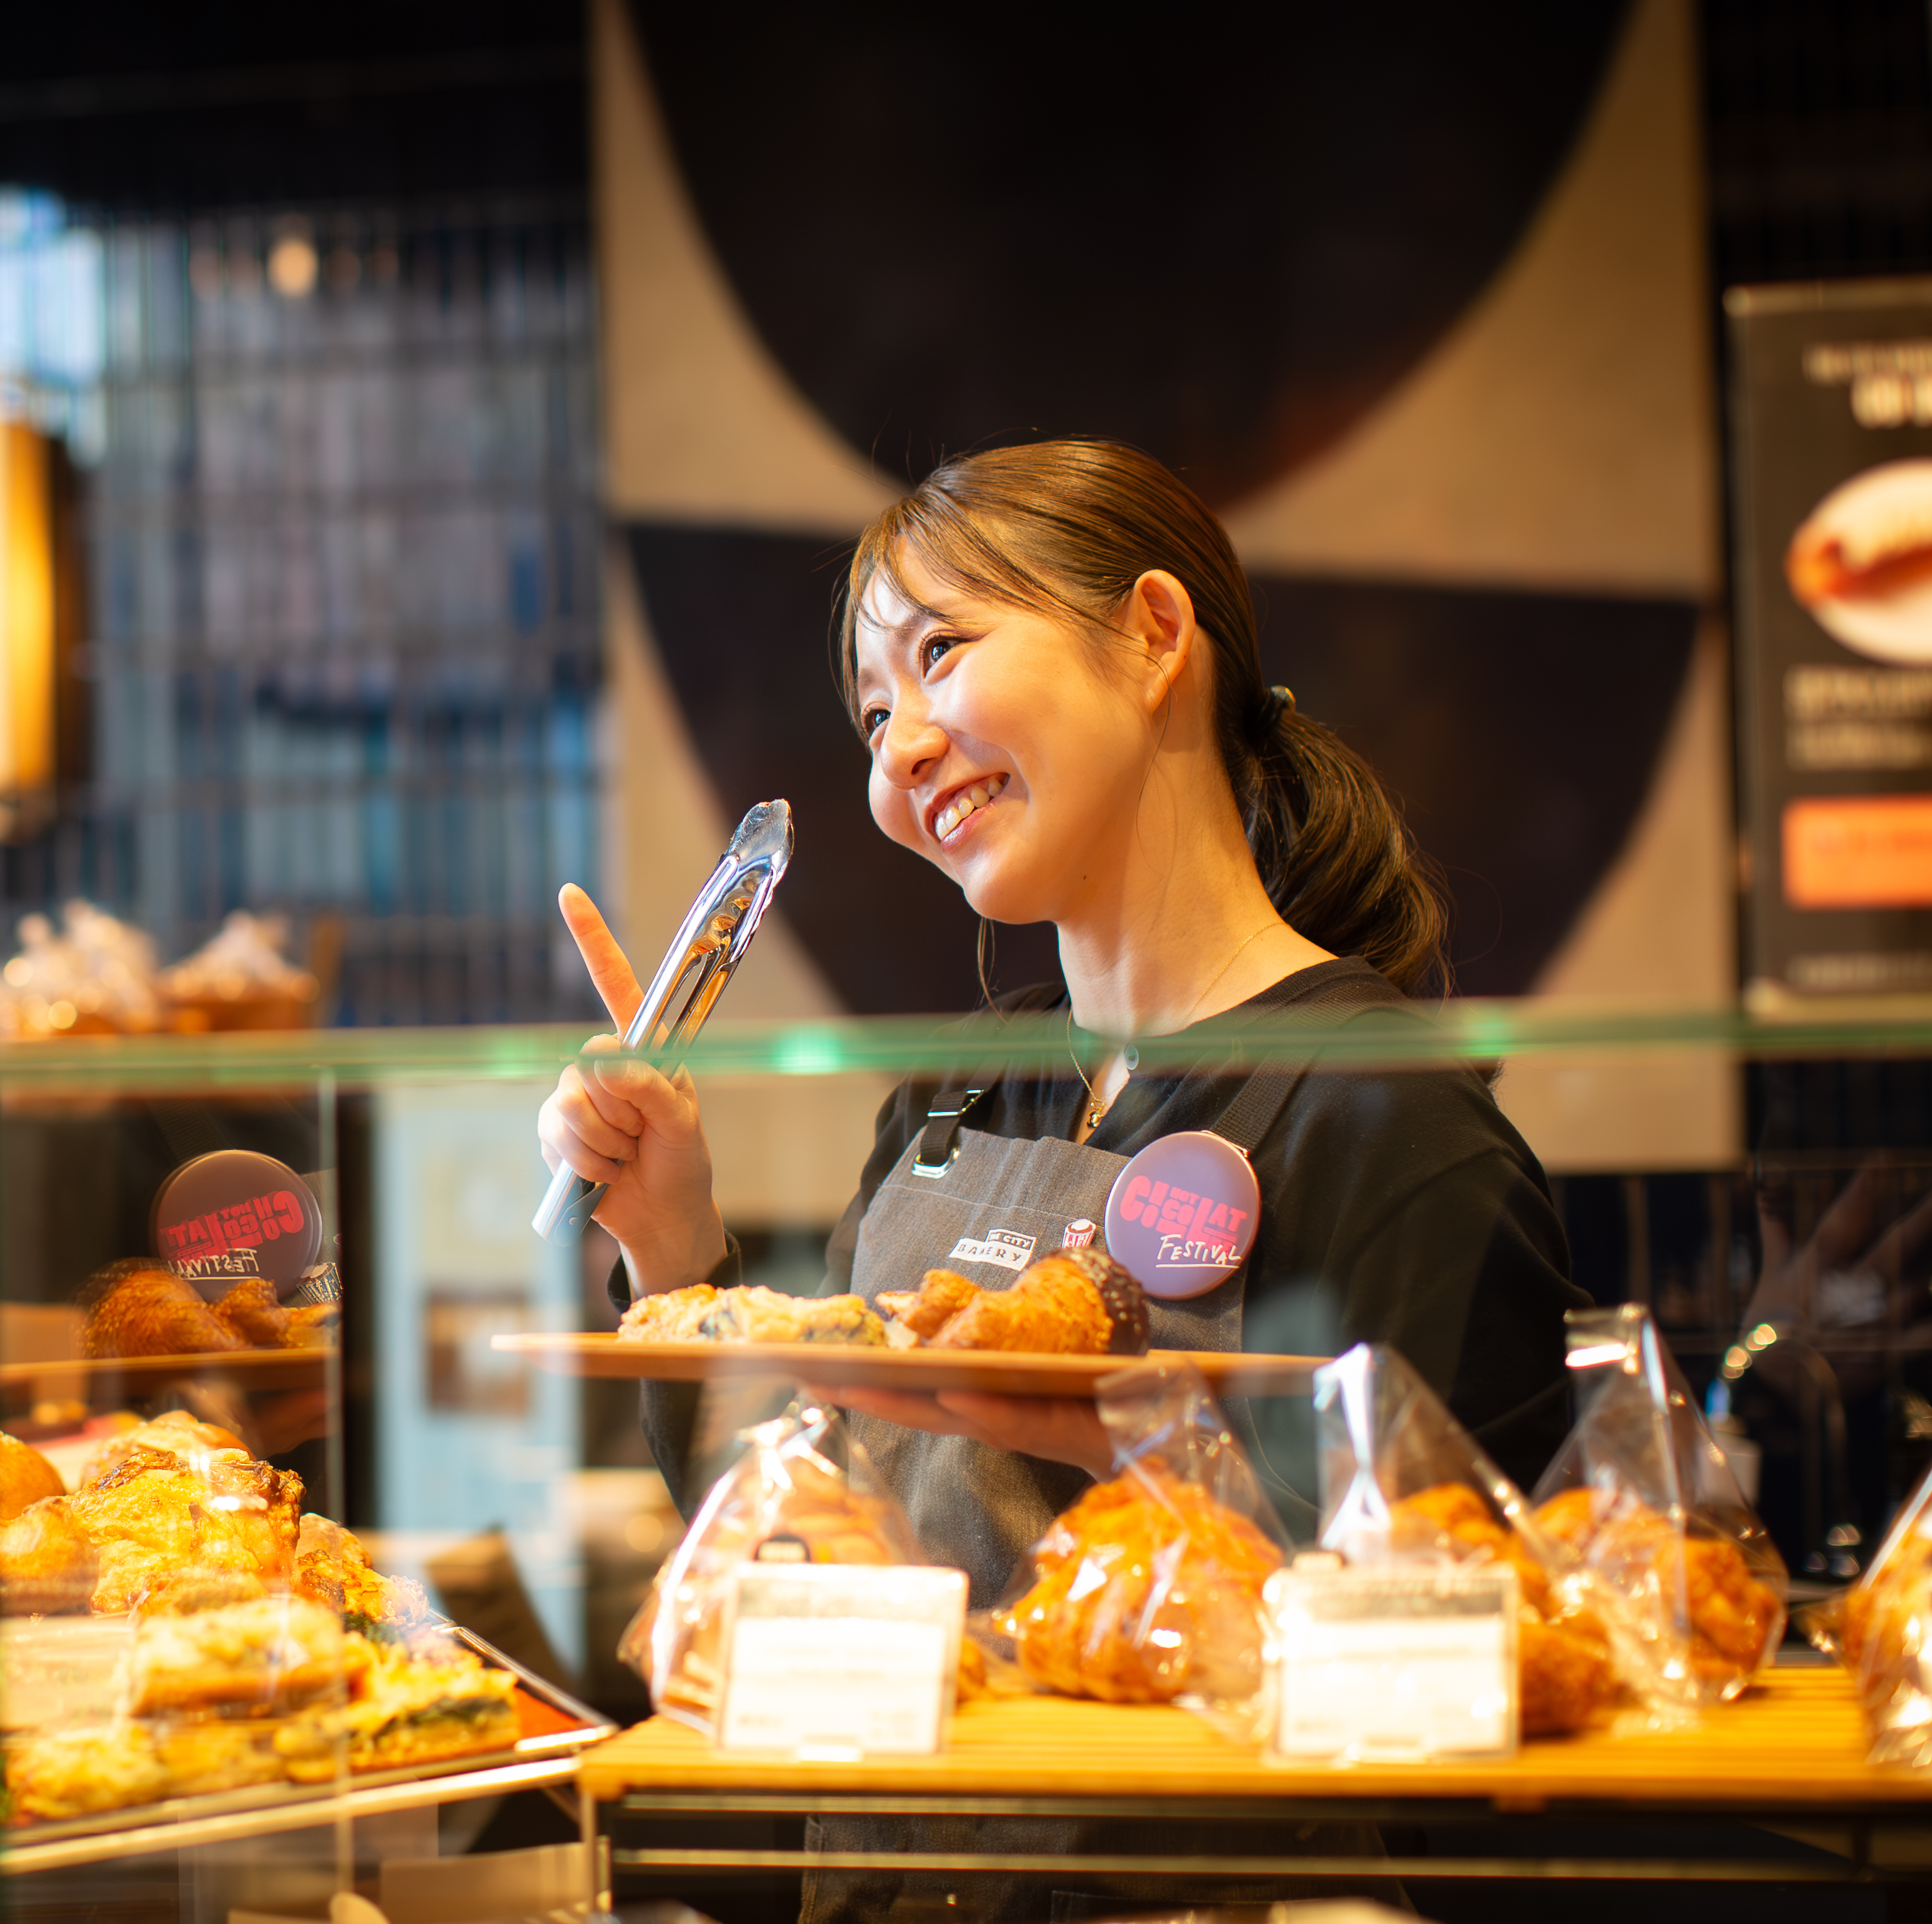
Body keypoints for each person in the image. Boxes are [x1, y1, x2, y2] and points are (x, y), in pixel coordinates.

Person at [537, 438, 1587, 1921]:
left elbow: (1478, 1666)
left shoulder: (1387, 1117)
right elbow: (798, 1556)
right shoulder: (952, 1097)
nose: (896, 749)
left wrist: (1145, 1468)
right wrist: (674, 1246)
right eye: (871, 709)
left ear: (1157, 636)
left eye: (942, 655)